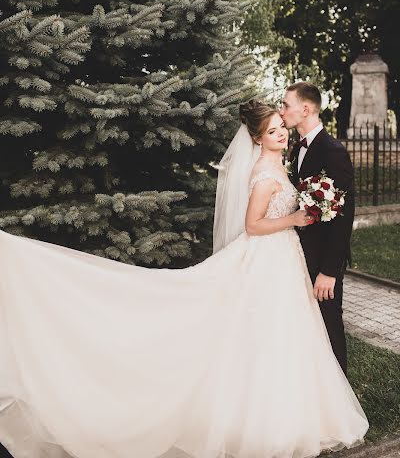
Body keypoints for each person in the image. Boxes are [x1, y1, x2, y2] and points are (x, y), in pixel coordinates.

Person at [0, 101, 368, 458]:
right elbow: (253, 226)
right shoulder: (264, 176)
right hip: (267, 258)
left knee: (286, 334)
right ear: (257, 138)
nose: (281, 135)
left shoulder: (279, 167)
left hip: (283, 259)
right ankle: (268, 423)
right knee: (265, 336)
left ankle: (298, 415)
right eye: (273, 132)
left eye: (282, 129)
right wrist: (293, 220)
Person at [280, 82, 354, 375]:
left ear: (306, 109)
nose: (281, 110)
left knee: (329, 323)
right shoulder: (295, 147)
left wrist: (329, 271)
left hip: (323, 259)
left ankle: (340, 395)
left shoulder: (332, 151)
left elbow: (343, 216)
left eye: (286, 104)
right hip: (298, 252)